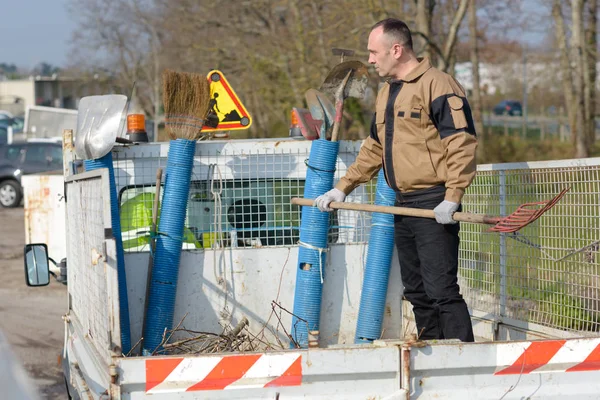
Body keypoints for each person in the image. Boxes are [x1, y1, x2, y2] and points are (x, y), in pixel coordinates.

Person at [315, 18, 478, 342]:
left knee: (441, 290)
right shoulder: (388, 92)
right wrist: (342, 187)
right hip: (403, 205)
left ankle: (467, 363)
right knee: (416, 291)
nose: (371, 60)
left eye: (374, 52)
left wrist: (453, 195)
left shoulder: (438, 85)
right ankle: (433, 359)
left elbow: (461, 142)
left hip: (434, 203)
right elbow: (375, 146)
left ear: (397, 49)